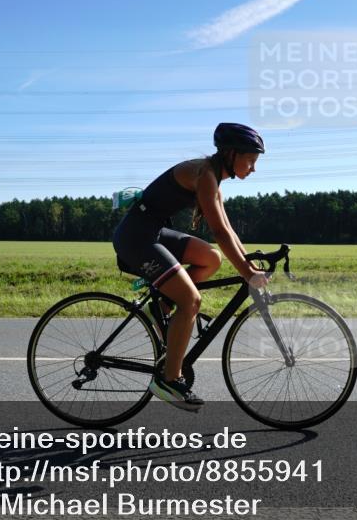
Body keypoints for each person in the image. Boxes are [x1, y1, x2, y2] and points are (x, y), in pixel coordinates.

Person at [112, 122, 269, 412]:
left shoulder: (213, 178)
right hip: (135, 238)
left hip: (152, 232)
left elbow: (228, 231)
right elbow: (219, 233)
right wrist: (248, 274)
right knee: (191, 300)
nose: (253, 168)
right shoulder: (204, 174)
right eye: (251, 160)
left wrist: (248, 262)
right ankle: (169, 380)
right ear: (232, 154)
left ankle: (160, 306)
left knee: (211, 259)